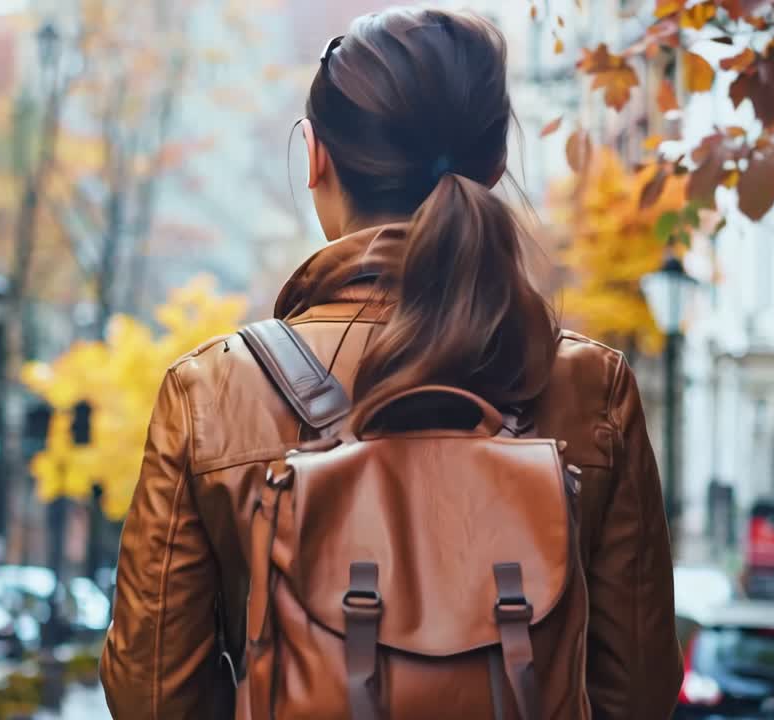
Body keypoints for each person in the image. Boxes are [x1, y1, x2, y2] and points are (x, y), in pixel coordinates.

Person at [100, 7, 680, 719]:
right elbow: (641, 689)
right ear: (495, 164)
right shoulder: (590, 390)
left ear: (316, 158)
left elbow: (153, 694)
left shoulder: (214, 393)